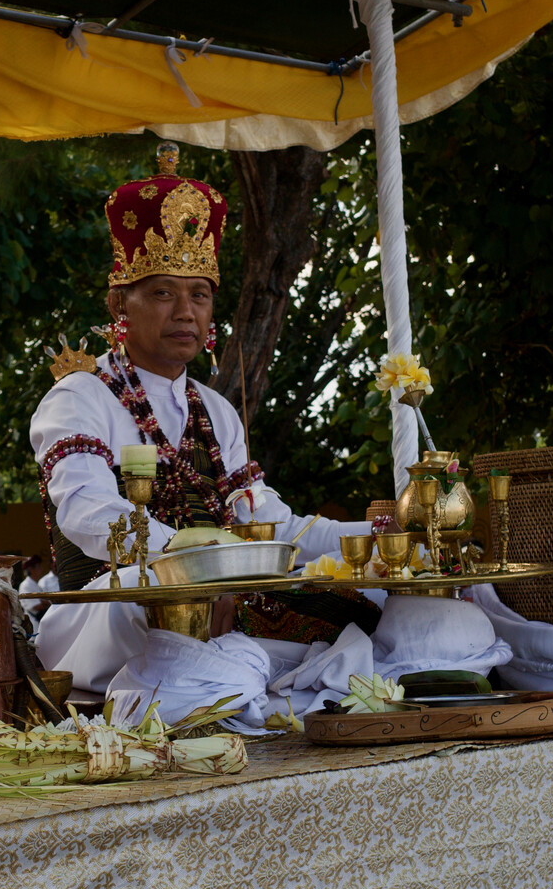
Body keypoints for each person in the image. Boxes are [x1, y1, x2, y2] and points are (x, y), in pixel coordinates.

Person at [29, 143, 369, 689]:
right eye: (163, 293)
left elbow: (270, 524)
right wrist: (198, 570)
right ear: (120, 306)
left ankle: (235, 672)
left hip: (225, 597)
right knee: (143, 598)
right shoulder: (80, 396)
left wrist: (376, 536)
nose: (186, 312)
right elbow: (90, 513)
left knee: (369, 591)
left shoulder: (215, 410)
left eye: (201, 296)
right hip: (113, 610)